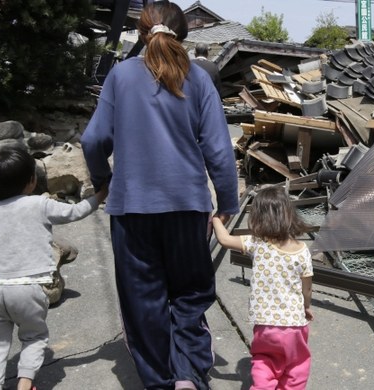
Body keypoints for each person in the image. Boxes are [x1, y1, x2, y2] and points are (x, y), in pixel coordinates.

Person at [80, 1, 239, 389]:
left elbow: (93, 139)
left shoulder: (120, 76)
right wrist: (228, 203)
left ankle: (161, 381)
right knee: (190, 292)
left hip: (132, 209)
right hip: (188, 207)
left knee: (143, 300)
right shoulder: (199, 78)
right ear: (183, 36)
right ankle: (187, 374)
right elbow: (219, 150)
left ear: (141, 31)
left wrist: (104, 179)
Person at [0, 146, 107, 390]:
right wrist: (99, 196)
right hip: (28, 287)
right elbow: (74, 211)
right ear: (32, 180)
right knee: (34, 337)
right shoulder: (39, 204)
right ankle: (24, 386)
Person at [211, 186, 314, 390]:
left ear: (258, 217)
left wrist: (215, 218)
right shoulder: (303, 251)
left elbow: (223, 240)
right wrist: (306, 307)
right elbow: (307, 289)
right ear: (289, 214)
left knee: (264, 361)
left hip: (265, 325)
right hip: (294, 325)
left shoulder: (258, 243)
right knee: (296, 365)